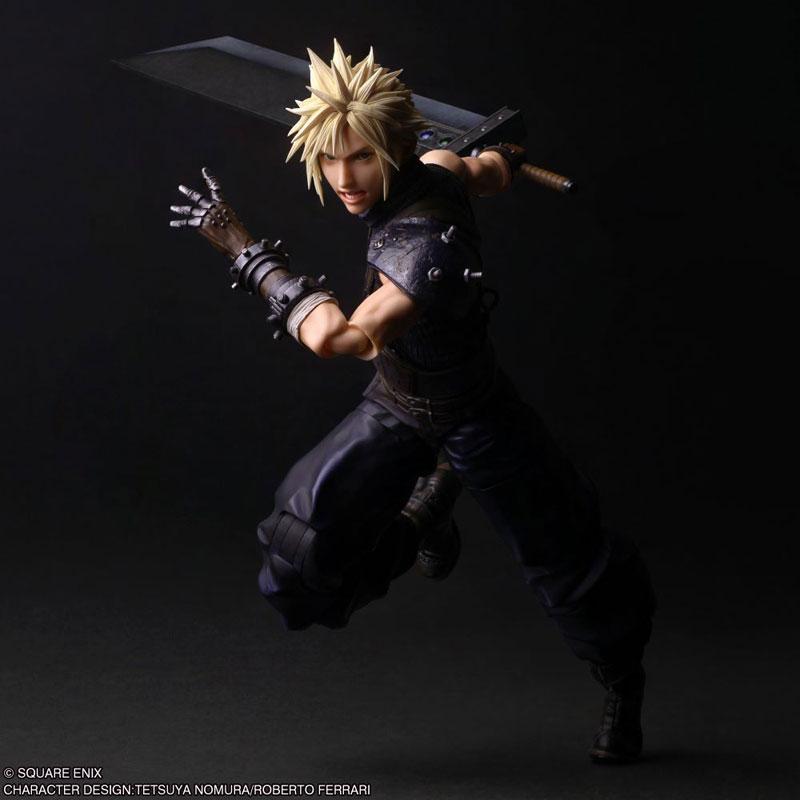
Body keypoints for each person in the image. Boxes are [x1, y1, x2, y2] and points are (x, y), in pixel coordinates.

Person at [169, 40, 656, 763]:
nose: (343, 179)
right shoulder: (439, 164)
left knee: (571, 564)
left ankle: (622, 684)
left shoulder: (425, 245)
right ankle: (426, 514)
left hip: (473, 409)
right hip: (399, 399)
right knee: (296, 556)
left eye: (361, 157)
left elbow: (339, 336)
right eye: (329, 158)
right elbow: (484, 169)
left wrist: (243, 249)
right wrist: (505, 159)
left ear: (394, 148)